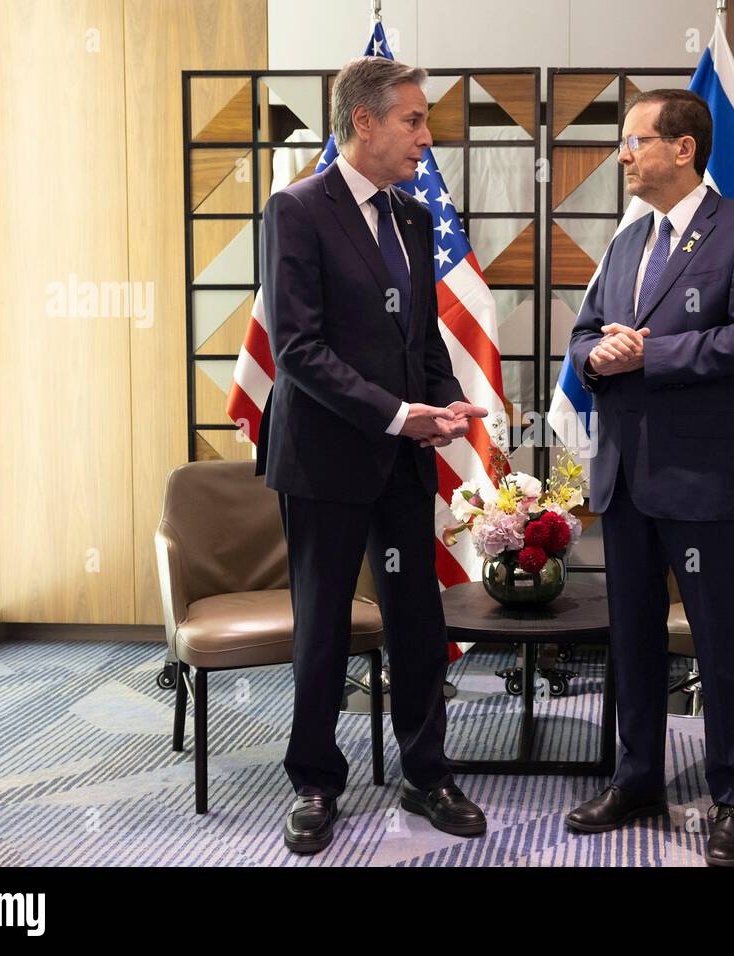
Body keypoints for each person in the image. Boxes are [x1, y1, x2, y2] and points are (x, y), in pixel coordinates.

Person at [255, 55, 489, 854]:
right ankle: (315, 782)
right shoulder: (296, 210)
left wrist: (446, 400)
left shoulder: (415, 218)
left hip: (403, 457)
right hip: (324, 457)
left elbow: (418, 339)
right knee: (321, 623)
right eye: (413, 120)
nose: (427, 137)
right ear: (364, 121)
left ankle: (429, 774)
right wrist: (396, 415)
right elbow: (297, 349)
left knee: (414, 617)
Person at [563, 89, 734, 867]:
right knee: (630, 641)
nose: (623, 155)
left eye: (635, 141)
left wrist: (648, 355)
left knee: (719, 644)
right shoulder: (627, 241)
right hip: (625, 475)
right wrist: (593, 355)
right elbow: (586, 333)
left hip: (703, 476)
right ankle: (637, 781)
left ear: (683, 148)